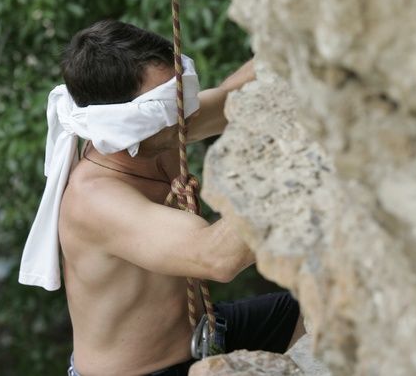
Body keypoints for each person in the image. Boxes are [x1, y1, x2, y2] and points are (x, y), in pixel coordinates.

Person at [54, 19, 304, 375]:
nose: (184, 114)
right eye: (166, 105)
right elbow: (218, 257)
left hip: (201, 333)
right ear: (124, 123)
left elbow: (236, 98)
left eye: (181, 93)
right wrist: (300, 167)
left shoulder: (157, 136)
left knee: (332, 302)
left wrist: (301, 40)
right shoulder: (94, 200)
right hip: (144, 370)